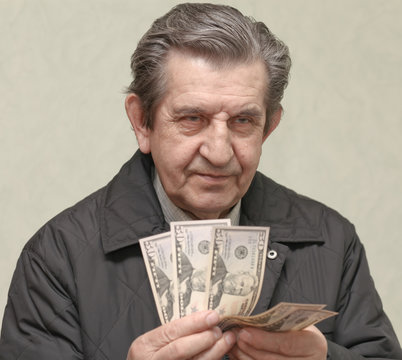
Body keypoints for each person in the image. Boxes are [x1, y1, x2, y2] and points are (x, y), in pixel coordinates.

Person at [0, 2, 401, 359]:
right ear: (142, 122)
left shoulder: (332, 240)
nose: (220, 151)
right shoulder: (57, 257)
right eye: (193, 118)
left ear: (269, 127)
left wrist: (326, 359)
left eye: (243, 121)